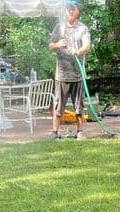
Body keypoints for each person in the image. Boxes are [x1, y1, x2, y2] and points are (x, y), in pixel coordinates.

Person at [48, 0, 91, 139]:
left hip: (77, 74)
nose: (71, 11)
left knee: (79, 106)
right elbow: (50, 46)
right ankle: (55, 133)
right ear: (65, 11)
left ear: (78, 11)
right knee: (58, 105)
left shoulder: (83, 29)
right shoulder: (59, 28)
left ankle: (79, 132)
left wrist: (77, 51)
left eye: (73, 8)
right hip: (61, 75)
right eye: (68, 9)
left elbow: (87, 46)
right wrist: (58, 44)